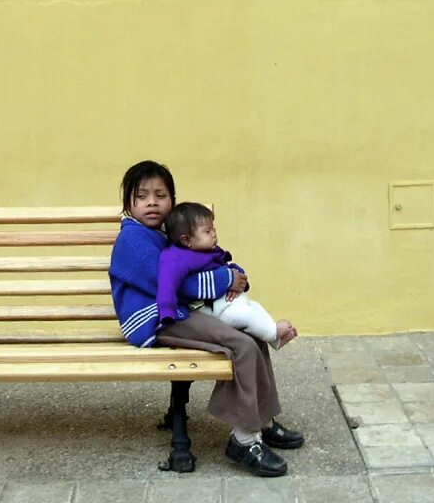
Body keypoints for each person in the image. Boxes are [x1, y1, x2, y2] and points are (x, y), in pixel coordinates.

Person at [108, 160, 304, 477]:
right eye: (142, 196)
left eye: (161, 195)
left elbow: (208, 259)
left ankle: (262, 421)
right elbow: (174, 284)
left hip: (183, 311)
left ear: (172, 200)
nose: (152, 202)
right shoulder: (134, 240)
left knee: (252, 336)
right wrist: (226, 280)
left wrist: (236, 274)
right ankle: (243, 439)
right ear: (129, 204)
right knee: (239, 345)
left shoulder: (168, 235)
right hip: (156, 318)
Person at [159, 202, 297, 350]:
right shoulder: (175, 258)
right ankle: (273, 333)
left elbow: (226, 265)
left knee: (254, 306)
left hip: (225, 302)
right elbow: (167, 283)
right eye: (207, 231)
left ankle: (274, 340)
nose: (213, 234)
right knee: (246, 315)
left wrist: (240, 278)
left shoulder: (208, 251)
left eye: (213, 229)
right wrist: (167, 312)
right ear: (186, 240)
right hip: (210, 310)